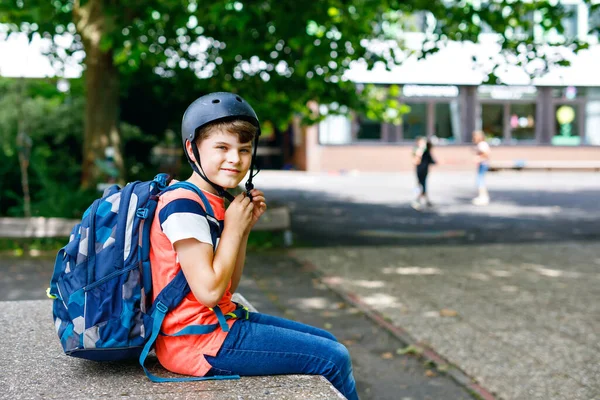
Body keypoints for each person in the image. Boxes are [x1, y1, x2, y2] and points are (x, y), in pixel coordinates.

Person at [149, 92, 359, 399]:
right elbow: (208, 292)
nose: (235, 159)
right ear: (192, 150)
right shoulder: (183, 204)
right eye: (222, 147)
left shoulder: (212, 199)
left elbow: (227, 287)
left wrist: (243, 230)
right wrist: (233, 228)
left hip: (216, 325)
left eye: (244, 149)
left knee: (327, 340)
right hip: (196, 342)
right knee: (332, 358)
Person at [411, 136, 436, 210]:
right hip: (420, 169)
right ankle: (417, 200)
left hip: (425, 169)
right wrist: (420, 150)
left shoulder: (426, 149)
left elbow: (430, 156)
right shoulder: (417, 149)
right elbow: (416, 160)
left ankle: (425, 200)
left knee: (423, 184)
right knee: (420, 185)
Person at [472, 130, 491, 205]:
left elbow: (486, 154)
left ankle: (483, 197)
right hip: (482, 164)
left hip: (483, 164)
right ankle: (482, 196)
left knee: (480, 180)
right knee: (480, 180)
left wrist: (478, 158)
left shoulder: (482, 144)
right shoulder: (482, 144)